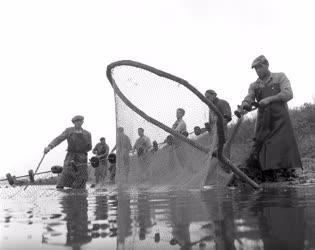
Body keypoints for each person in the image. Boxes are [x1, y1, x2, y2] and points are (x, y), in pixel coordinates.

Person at [241, 55, 302, 181]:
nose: (258, 70)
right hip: (264, 120)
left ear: (267, 65)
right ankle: (266, 173)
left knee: (282, 145)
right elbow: (249, 97)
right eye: (255, 68)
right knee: (261, 145)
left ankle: (288, 171)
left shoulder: (280, 77)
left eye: (260, 67)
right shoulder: (254, 85)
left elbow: (288, 94)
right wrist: (246, 104)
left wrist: (269, 99)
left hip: (281, 119)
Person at [44, 115, 92, 189]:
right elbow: (59, 138)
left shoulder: (87, 134)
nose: (78, 122)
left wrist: (82, 151)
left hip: (82, 158)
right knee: (65, 174)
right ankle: (62, 194)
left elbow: (89, 147)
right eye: (76, 121)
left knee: (82, 178)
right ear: (74, 122)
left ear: (82, 122)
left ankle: (80, 196)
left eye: (80, 121)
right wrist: (50, 146)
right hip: (71, 156)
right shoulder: (69, 131)